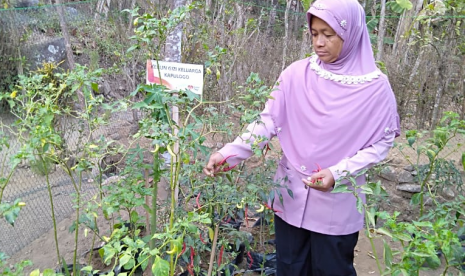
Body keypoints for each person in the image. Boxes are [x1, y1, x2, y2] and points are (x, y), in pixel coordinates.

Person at [203, 0, 400, 275]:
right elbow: (269, 120)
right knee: (289, 266)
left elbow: (380, 144)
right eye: (314, 33)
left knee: (331, 269)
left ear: (351, 33)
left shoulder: (375, 89)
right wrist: (230, 153)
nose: (319, 42)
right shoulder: (296, 75)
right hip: (290, 194)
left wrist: (338, 173)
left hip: (337, 202)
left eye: (329, 35)